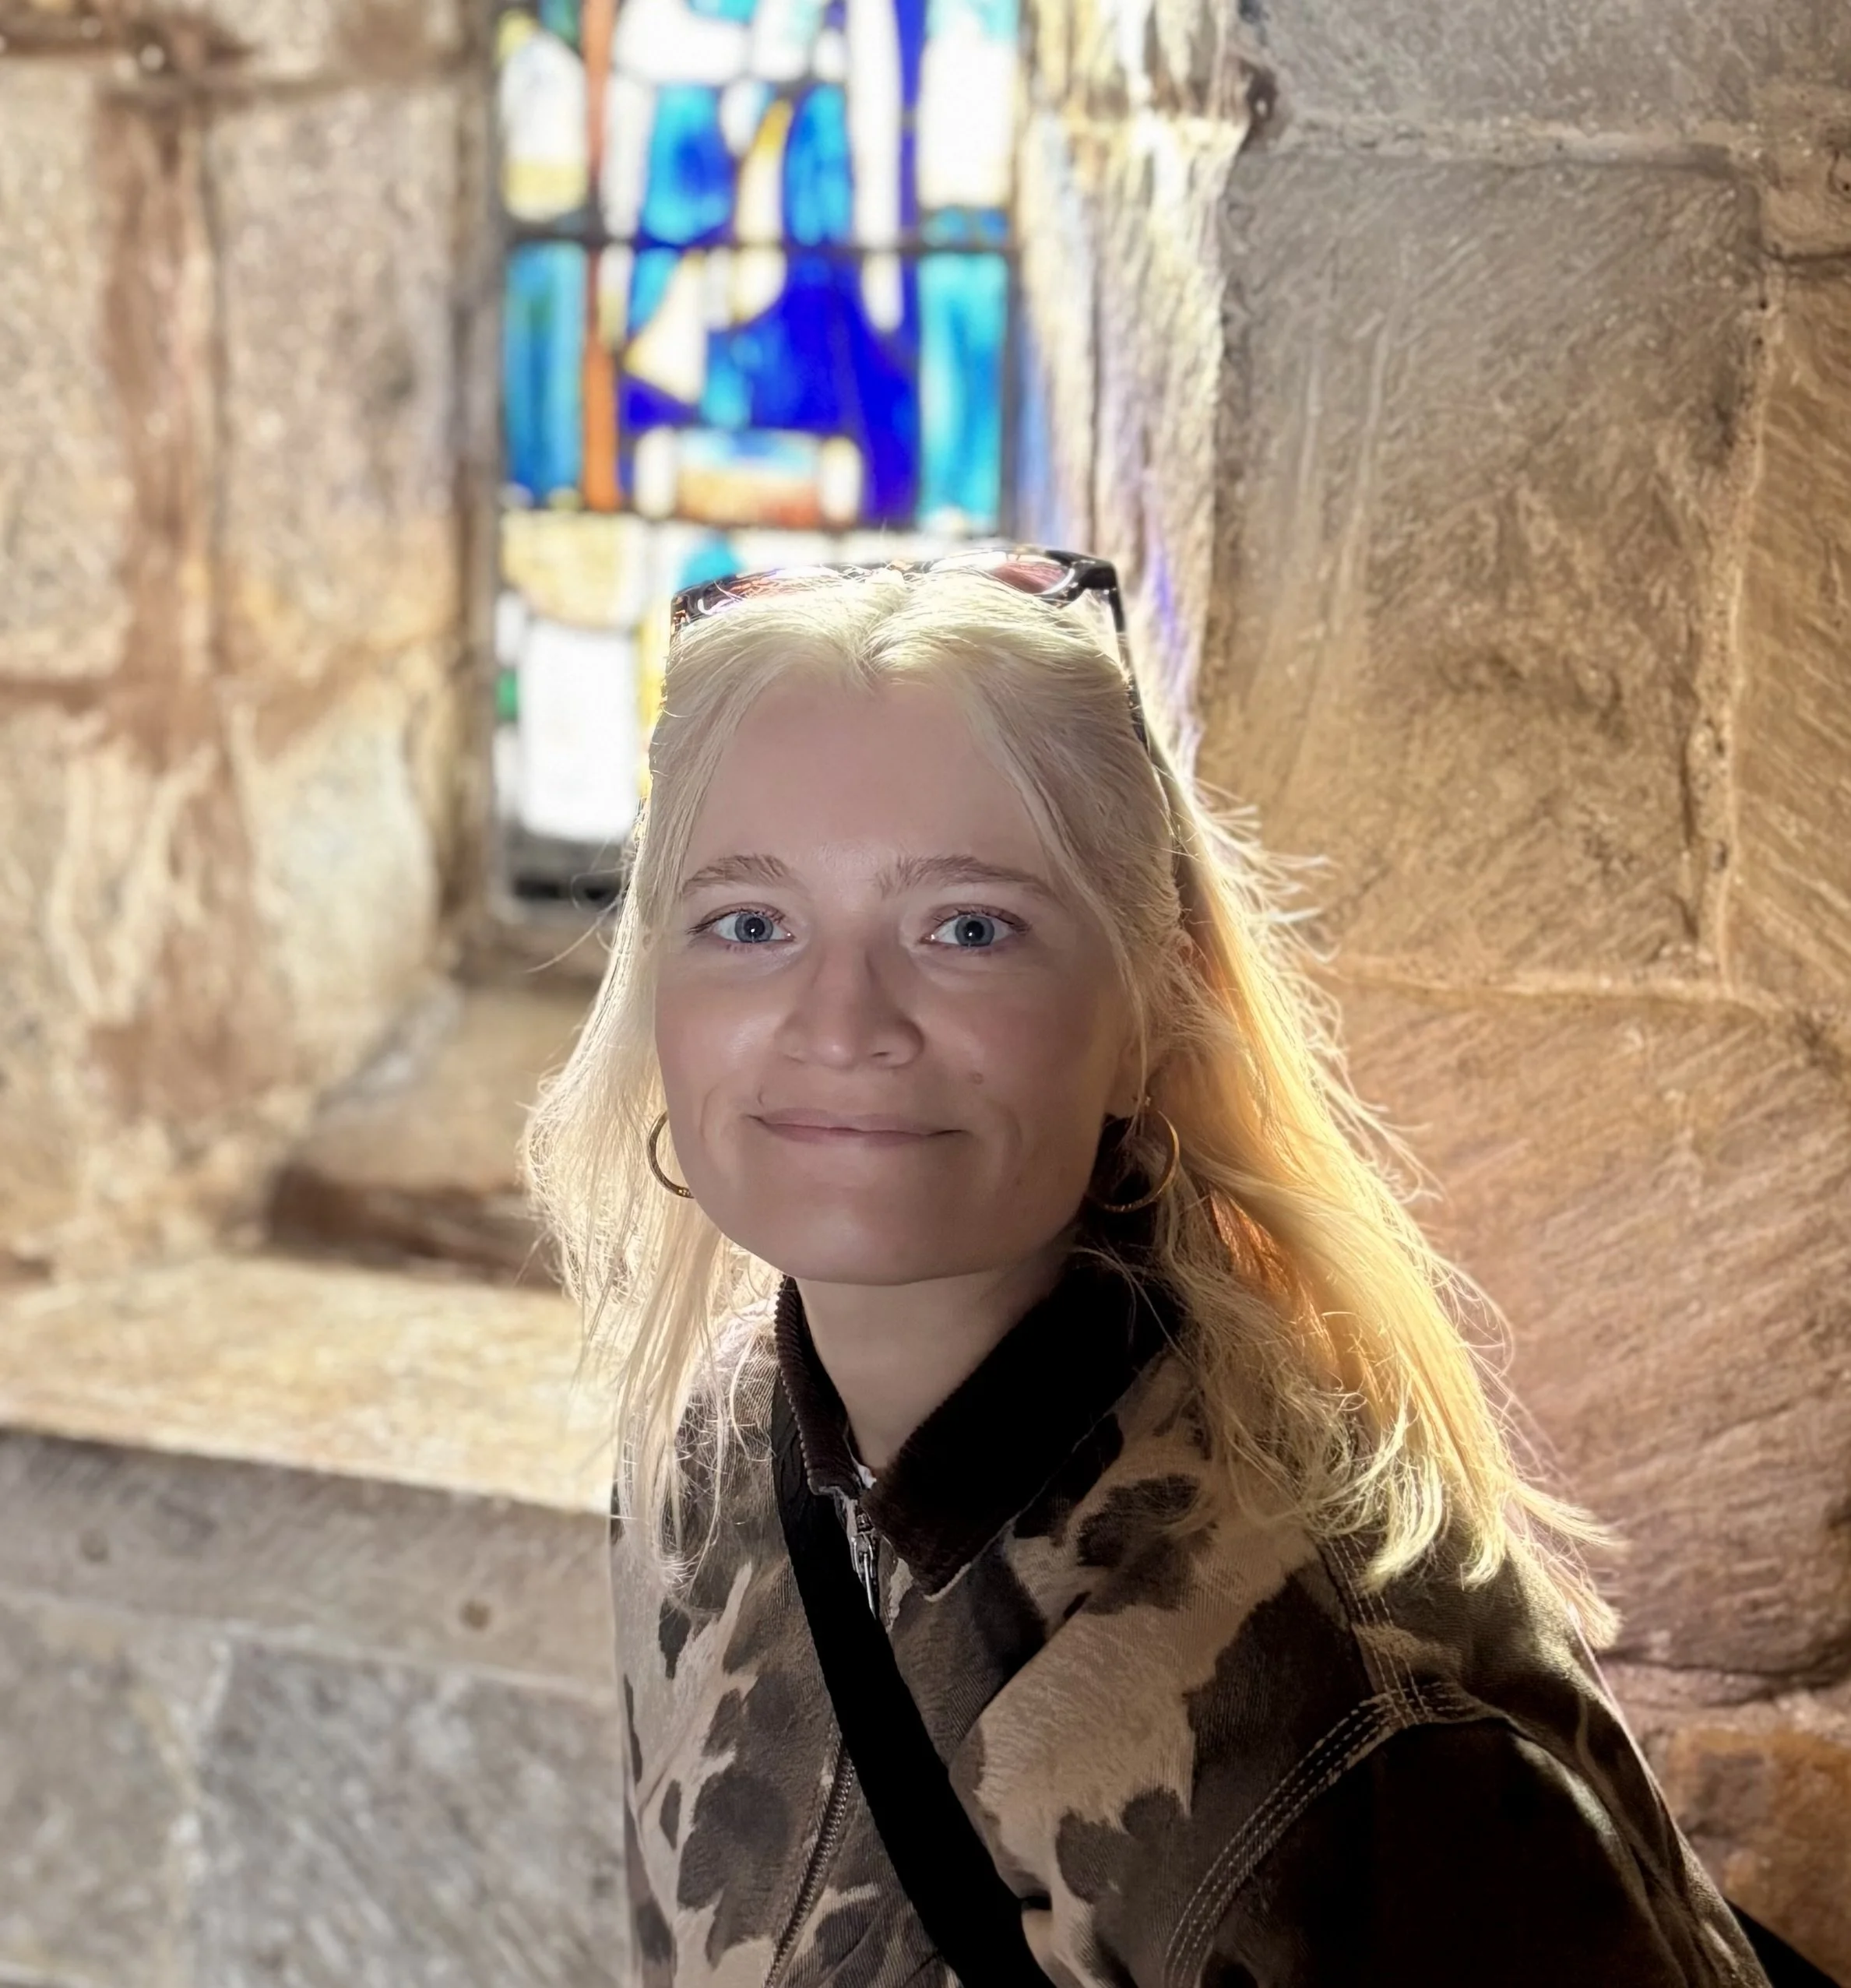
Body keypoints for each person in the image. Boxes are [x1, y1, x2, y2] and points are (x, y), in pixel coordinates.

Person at [523, 551, 1773, 1987]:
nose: (843, 1021)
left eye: (968, 927)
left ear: (1148, 1006)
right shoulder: (715, 1442)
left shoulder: (1333, 1745)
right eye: (750, 924)